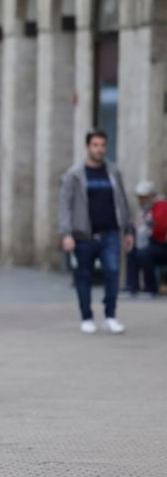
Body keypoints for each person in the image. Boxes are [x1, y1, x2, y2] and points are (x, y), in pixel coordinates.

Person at [59, 129, 134, 334]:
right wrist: (66, 233)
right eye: (95, 145)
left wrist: (128, 230)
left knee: (112, 272)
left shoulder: (113, 172)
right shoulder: (74, 175)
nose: (100, 149)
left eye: (103, 145)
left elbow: (122, 202)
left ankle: (110, 316)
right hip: (83, 236)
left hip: (110, 233)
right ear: (87, 147)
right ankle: (87, 317)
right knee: (83, 276)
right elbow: (65, 205)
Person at [127, 180, 167, 296]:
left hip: (161, 244)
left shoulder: (161, 205)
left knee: (144, 254)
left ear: (151, 196)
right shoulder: (145, 208)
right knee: (132, 252)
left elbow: (160, 228)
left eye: (143, 197)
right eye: (139, 197)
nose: (140, 200)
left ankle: (151, 287)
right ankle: (132, 286)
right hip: (150, 242)